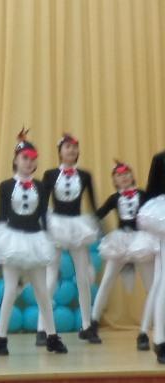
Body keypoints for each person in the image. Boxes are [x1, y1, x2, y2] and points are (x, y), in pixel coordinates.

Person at [0, 129, 67, 356]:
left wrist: (51, 240)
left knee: (42, 291)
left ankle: (52, 337)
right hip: (12, 241)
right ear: (16, 160)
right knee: (10, 289)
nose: (29, 163)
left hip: (35, 241)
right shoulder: (5, 186)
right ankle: (1, 339)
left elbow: (43, 216)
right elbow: (1, 218)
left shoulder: (40, 186)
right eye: (24, 158)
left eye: (32, 159)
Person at [39, 134, 101, 344]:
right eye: (67, 147)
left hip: (77, 227)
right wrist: (44, 228)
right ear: (60, 151)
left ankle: (87, 326)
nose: (71, 150)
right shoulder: (49, 174)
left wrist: (103, 226)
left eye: (75, 147)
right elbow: (42, 203)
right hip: (56, 225)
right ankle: (42, 328)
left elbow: (93, 204)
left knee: (83, 278)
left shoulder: (85, 175)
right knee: (50, 277)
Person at [93, 160, 159, 349]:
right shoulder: (114, 198)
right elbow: (99, 214)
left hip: (141, 242)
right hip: (120, 242)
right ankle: (92, 323)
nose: (124, 177)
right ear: (114, 180)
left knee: (151, 286)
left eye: (127, 173)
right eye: (119, 175)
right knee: (107, 281)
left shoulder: (144, 195)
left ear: (132, 176)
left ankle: (149, 330)